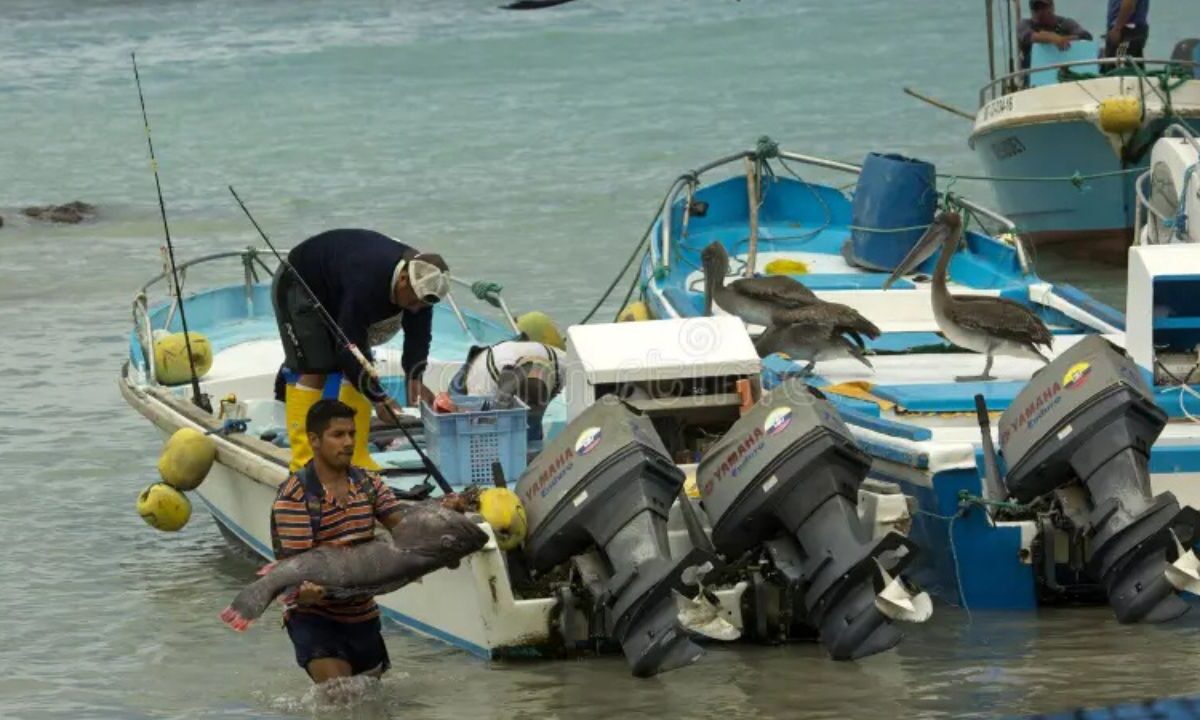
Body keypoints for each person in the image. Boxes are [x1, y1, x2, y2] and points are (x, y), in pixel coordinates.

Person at [272, 228, 450, 472]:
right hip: (299, 283)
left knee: (360, 364)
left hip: (338, 286)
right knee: (317, 367)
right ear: (402, 280)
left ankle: (356, 455)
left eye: (424, 304)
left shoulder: (422, 287)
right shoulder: (367, 282)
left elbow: (419, 336)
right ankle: (305, 461)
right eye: (414, 301)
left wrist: (415, 377)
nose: (417, 309)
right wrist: (379, 399)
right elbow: (349, 350)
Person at [270, 399, 405, 684]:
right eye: (338, 435)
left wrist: (443, 517)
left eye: (352, 434)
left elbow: (405, 526)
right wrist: (301, 593)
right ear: (314, 440)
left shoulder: (369, 484)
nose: (348, 442)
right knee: (340, 699)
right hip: (315, 617)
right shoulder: (294, 498)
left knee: (371, 704)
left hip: (362, 613)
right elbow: (294, 570)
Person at [448, 317, 567, 457]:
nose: (529, 405)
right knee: (480, 432)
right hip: (482, 370)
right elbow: (480, 426)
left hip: (520, 364)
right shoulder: (483, 377)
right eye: (527, 402)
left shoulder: (563, 363)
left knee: (531, 429)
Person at [1018, 0, 1093, 72]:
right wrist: (1053, 38)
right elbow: (1029, 37)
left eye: (1044, 7)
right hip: (1034, 79)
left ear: (1052, 7)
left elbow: (1086, 36)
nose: (1040, 12)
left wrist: (1064, 39)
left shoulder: (1065, 23)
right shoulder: (1025, 24)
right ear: (1031, 11)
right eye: (1036, 8)